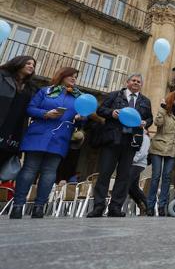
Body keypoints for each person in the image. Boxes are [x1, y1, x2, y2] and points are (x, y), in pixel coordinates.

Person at [10, 67, 84, 219]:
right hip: (38, 134)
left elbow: (85, 115)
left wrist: (81, 117)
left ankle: (39, 207)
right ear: (62, 75)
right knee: (29, 169)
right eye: (71, 75)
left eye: (75, 77)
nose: (73, 79)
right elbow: (30, 109)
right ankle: (18, 205)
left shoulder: (78, 97)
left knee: (50, 172)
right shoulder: (46, 91)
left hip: (60, 137)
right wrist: (45, 113)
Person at [87, 74, 153, 218]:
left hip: (131, 142)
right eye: (133, 80)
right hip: (112, 139)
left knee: (123, 177)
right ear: (127, 82)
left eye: (139, 82)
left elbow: (150, 119)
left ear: (141, 85)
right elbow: (100, 110)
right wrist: (112, 113)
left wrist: (145, 123)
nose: (136, 83)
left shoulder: (145, 101)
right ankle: (98, 207)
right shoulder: (114, 95)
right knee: (104, 174)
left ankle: (115, 208)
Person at [147, 90, 175, 216]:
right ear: (173, 99)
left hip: (172, 148)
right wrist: (162, 109)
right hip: (158, 145)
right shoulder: (164, 110)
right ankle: (150, 206)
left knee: (167, 177)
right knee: (155, 177)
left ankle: (162, 206)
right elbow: (157, 123)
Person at [0, 56, 37, 168]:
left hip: (15, 130)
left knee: (3, 159)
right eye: (28, 63)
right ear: (18, 63)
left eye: (33, 65)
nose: (31, 66)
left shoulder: (31, 87)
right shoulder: (2, 76)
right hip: (2, 123)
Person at [127, 131, 150, 215]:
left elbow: (143, 153)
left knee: (127, 184)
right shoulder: (131, 135)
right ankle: (144, 205)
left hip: (138, 163)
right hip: (129, 163)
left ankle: (147, 205)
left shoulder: (145, 137)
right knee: (133, 187)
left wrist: (132, 159)